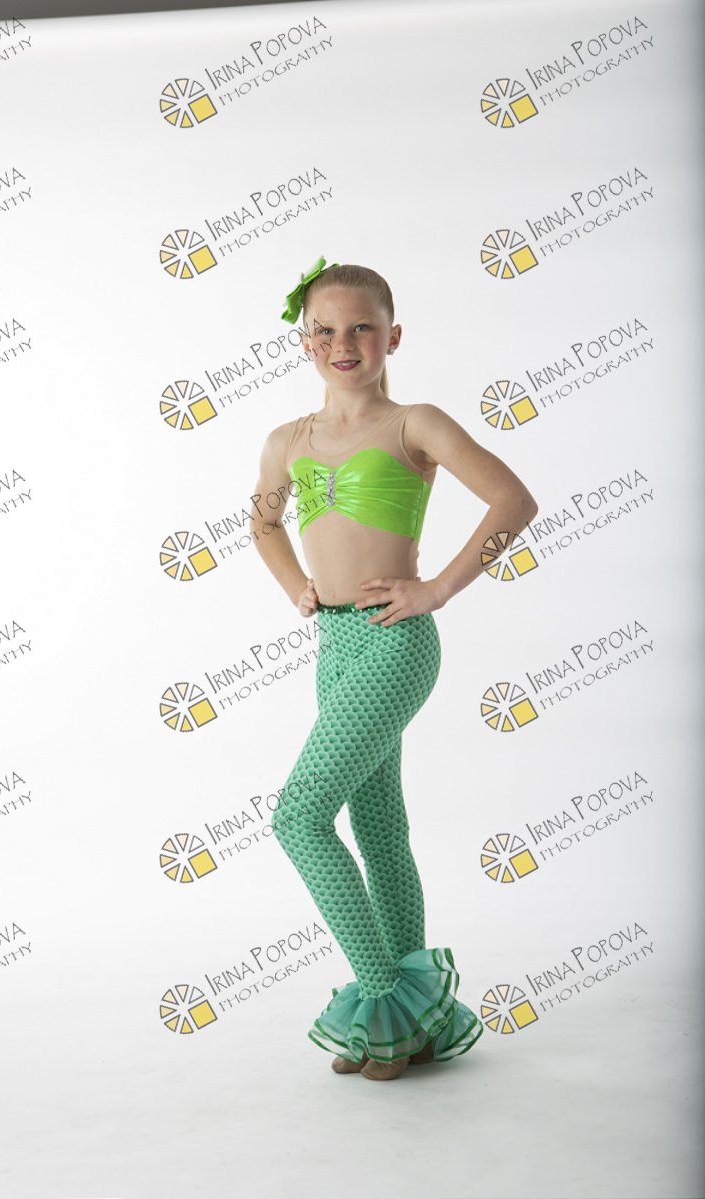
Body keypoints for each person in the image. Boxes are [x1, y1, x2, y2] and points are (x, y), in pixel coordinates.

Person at [250, 256, 539, 1081]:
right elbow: (263, 522)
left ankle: (384, 999)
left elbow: (513, 500)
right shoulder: (286, 441)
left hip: (395, 641)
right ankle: (420, 1022)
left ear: (393, 336)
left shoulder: (416, 424)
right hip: (335, 644)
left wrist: (436, 588)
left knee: (299, 816)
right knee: (378, 829)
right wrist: (297, 588)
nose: (343, 343)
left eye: (362, 328)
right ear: (304, 340)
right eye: (325, 330)